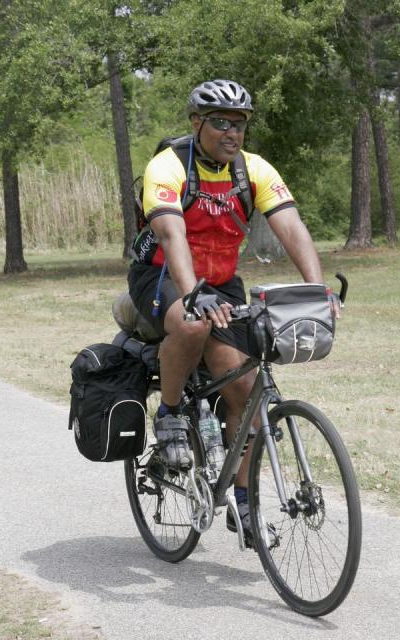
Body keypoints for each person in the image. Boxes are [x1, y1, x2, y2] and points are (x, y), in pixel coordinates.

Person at [127, 79, 340, 545]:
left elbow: (291, 227)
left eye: (239, 124)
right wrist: (192, 293)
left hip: (222, 281)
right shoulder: (167, 166)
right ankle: (168, 414)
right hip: (162, 275)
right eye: (221, 122)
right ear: (197, 123)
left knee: (243, 386)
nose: (232, 132)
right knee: (193, 318)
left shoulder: (253, 170)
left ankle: (243, 503)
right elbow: (171, 237)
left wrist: (316, 288)